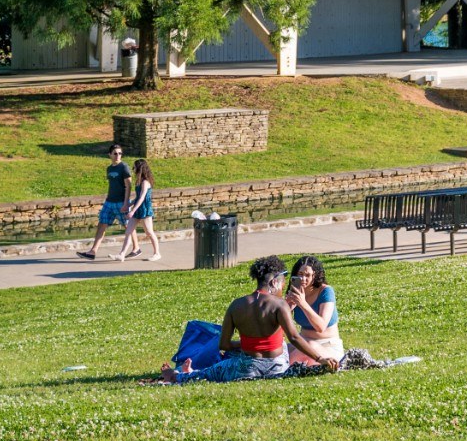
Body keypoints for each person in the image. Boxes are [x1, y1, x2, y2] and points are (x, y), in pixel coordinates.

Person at [161, 255, 339, 382]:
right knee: (284, 345)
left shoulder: (236, 305)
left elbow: (224, 345)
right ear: (274, 282)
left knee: (211, 372)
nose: (283, 287)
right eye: (283, 282)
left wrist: (249, 345)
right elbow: (294, 337)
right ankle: (187, 372)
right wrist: (320, 358)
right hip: (277, 367)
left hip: (246, 368)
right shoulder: (279, 305)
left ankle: (178, 376)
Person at [75, 143, 131, 260]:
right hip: (109, 201)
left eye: (120, 153)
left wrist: (126, 203)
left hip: (121, 201)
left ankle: (136, 248)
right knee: (102, 224)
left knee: (128, 226)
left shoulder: (124, 167)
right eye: (115, 153)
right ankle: (92, 252)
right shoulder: (109, 168)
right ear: (109, 154)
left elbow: (128, 186)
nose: (118, 156)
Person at [285, 255, 344, 367]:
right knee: (279, 349)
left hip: (327, 346)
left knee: (309, 346)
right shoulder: (295, 291)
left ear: (315, 276)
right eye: (300, 274)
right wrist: (287, 309)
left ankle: (282, 370)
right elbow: (281, 330)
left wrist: (302, 304)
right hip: (303, 342)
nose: (303, 279)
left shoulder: (326, 291)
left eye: (307, 275)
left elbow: (320, 326)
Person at [116, 158, 161, 261]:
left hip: (144, 210)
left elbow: (142, 198)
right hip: (137, 209)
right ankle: (122, 254)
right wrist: (128, 205)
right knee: (128, 231)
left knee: (149, 232)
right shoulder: (139, 181)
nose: (133, 169)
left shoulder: (145, 182)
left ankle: (157, 253)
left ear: (140, 168)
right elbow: (137, 198)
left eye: (135, 167)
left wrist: (132, 211)